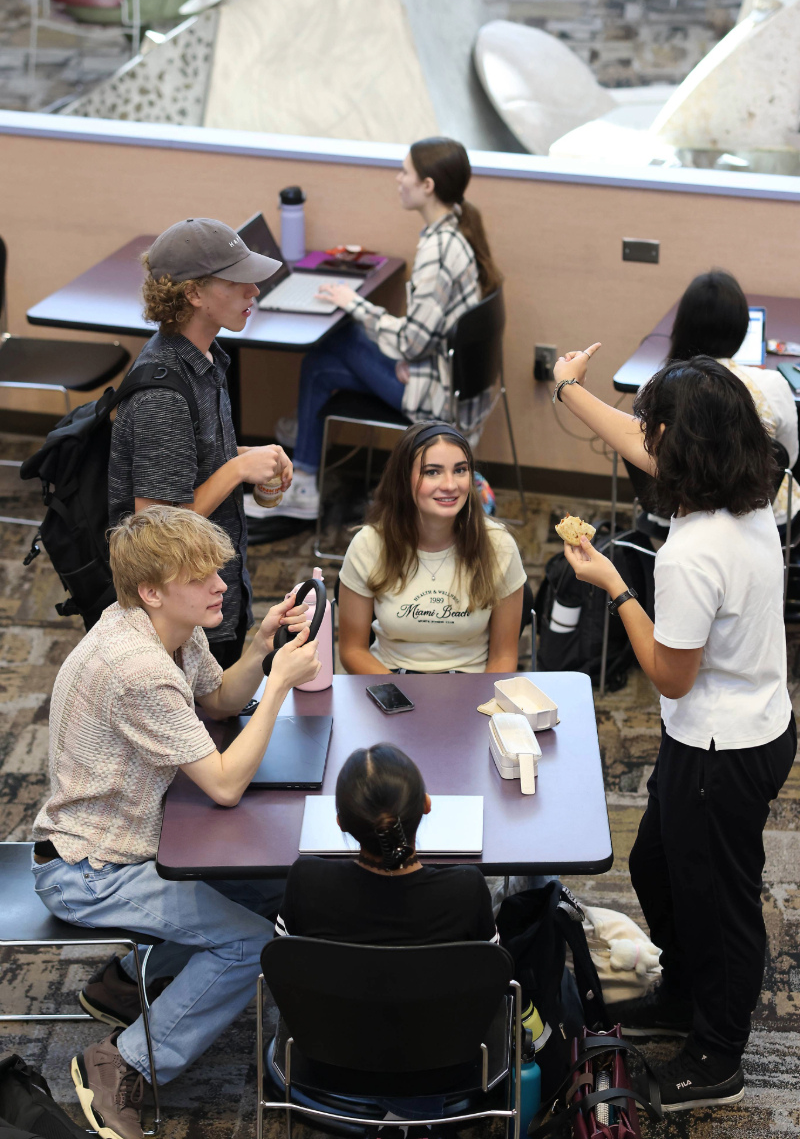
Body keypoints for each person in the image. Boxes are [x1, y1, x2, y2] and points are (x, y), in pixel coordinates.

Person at [550, 347, 796, 1112]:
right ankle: (685, 995)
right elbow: (634, 434)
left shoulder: (691, 553)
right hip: (746, 726)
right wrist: (566, 388)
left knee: (717, 900)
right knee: (658, 866)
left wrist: (615, 584)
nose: (643, 439)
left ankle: (719, 1054)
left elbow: (670, 674)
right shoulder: (755, 486)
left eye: (654, 429)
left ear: (676, 447)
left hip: (720, 750)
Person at [31, 506, 320, 1139]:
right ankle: (119, 1063)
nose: (220, 586)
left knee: (276, 892)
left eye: (217, 571)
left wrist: (258, 649)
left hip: (133, 843)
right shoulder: (136, 669)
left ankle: (133, 982)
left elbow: (216, 699)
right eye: (201, 577)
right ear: (152, 590)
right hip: (92, 871)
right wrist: (277, 687)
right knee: (250, 942)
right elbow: (222, 784)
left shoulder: (166, 629)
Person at [269, 136, 503, 521]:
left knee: (342, 333)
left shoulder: (438, 251)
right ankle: (305, 471)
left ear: (427, 186)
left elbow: (412, 341)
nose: (398, 179)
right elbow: (427, 334)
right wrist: (408, 353)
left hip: (437, 397)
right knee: (319, 363)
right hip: (444, 375)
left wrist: (354, 304)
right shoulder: (454, 231)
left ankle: (304, 466)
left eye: (405, 173)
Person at [108, 217, 294, 668]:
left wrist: (243, 457)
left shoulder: (206, 360)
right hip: (178, 617)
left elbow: (189, 465)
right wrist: (236, 471)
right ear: (193, 294)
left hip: (210, 597)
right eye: (237, 282)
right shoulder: (163, 395)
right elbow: (154, 528)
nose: (254, 292)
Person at [337, 422, 526, 674]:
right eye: (432, 472)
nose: (450, 484)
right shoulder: (368, 544)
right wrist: (401, 699)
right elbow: (352, 651)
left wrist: (482, 706)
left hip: (471, 687)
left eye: (460, 470)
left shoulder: (499, 546)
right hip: (389, 681)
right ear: (404, 480)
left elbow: (503, 657)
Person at [276, 743, 498, 944]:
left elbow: (284, 961)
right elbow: (491, 970)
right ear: (426, 804)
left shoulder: (305, 882)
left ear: (341, 822)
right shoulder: (467, 891)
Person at [668, 269, 799, 529]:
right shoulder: (770, 386)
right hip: (759, 517)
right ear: (741, 329)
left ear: (682, 325)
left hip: (677, 513)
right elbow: (787, 459)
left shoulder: (655, 388)